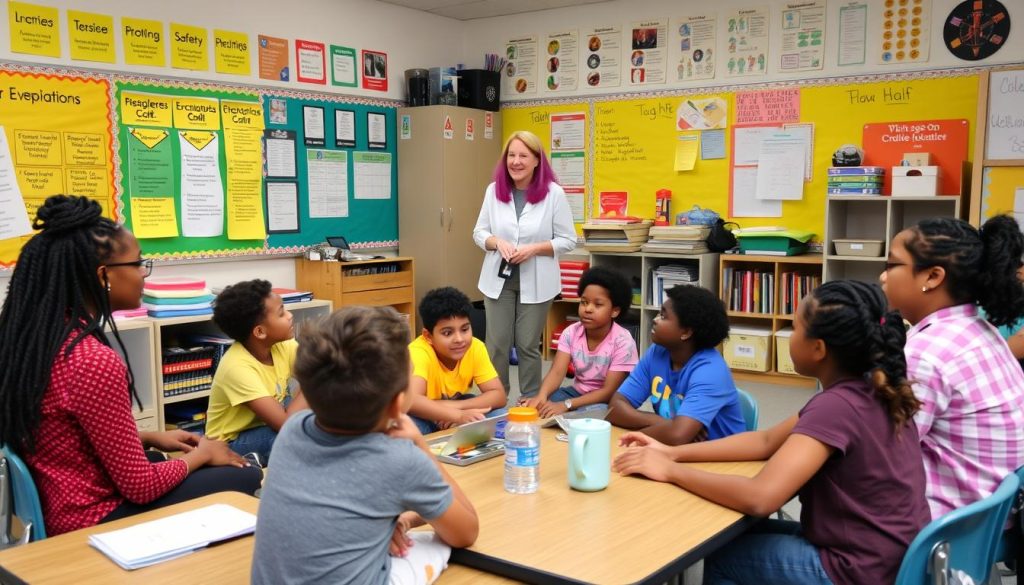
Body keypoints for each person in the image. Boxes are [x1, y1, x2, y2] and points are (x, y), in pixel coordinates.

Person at [614, 281, 931, 585]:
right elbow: (765, 441)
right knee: (735, 537)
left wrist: (670, 470)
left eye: (795, 328)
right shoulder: (869, 390)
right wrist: (672, 452)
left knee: (721, 558)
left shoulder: (836, 406)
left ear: (818, 349)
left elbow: (761, 498)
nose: (790, 336)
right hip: (889, 555)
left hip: (856, 569)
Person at [0, 195, 260, 536]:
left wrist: (149, 436)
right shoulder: (91, 361)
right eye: (138, 264)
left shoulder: (34, 340)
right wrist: (203, 454)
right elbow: (141, 487)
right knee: (246, 475)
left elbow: (64, 437)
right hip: (92, 519)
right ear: (104, 275)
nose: (143, 274)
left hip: (61, 501)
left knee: (161, 459)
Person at [251, 306, 479, 584]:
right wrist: (419, 444)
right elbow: (466, 532)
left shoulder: (292, 432)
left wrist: (403, 519)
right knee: (437, 544)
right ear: (398, 404)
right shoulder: (399, 457)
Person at [880, 215, 1024, 518]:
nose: (883, 277)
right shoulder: (978, 329)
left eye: (892, 266)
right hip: (992, 517)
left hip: (946, 526)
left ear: (932, 277)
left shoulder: (927, 353)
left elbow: (881, 453)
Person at [473, 130, 576, 398]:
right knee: (496, 343)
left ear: (536, 161)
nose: (516, 161)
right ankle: (495, 397)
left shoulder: (554, 194)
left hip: (538, 281)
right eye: (511, 155)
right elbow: (479, 232)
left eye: (523, 155)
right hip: (498, 279)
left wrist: (535, 249)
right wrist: (497, 242)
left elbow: (568, 240)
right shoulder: (494, 190)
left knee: (528, 343)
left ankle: (530, 399)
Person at [608, 285, 744, 445]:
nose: (655, 319)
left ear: (686, 332)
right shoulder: (657, 352)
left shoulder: (711, 371)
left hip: (724, 459)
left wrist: (669, 430)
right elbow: (615, 407)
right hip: (677, 451)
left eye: (664, 317)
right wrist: (663, 423)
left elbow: (677, 435)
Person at [205, 279, 308, 465]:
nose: (290, 315)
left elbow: (319, 373)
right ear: (260, 332)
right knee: (295, 437)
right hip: (230, 443)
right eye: (281, 313)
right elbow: (285, 425)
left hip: (267, 424)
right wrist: (316, 382)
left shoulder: (284, 345)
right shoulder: (236, 367)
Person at [522, 267, 638, 418]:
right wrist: (541, 397)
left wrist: (567, 405)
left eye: (598, 305)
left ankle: (572, 415)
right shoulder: (571, 332)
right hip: (577, 393)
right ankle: (570, 415)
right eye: (584, 302)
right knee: (544, 404)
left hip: (610, 399)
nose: (588, 309)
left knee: (601, 411)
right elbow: (557, 372)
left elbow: (608, 391)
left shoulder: (623, 341)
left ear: (615, 311)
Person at [407, 287, 507, 434]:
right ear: (428, 336)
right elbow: (412, 401)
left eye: (465, 329)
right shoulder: (418, 352)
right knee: (405, 429)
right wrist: (457, 415)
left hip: (457, 404)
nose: (459, 339)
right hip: (421, 414)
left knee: (501, 416)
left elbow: (498, 395)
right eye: (447, 333)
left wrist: (456, 408)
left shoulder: (475, 347)